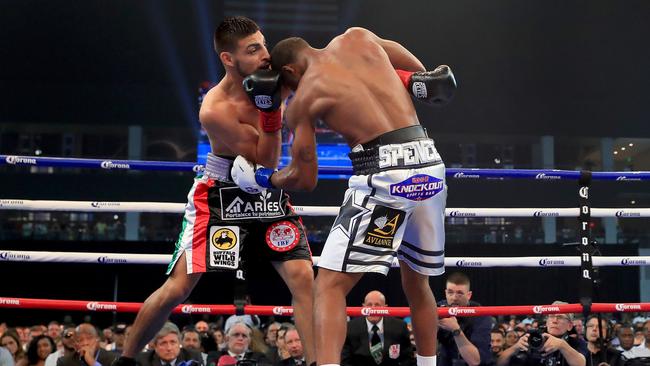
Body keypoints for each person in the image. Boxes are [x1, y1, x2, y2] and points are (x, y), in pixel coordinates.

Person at [231, 27, 456, 366]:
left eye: (286, 84)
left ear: (289, 71)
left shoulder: (305, 97)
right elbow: (428, 79)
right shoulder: (359, 37)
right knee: (416, 282)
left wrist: (261, 177)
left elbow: (304, 178)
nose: (288, 91)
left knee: (329, 287)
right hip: (430, 165)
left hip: (385, 175)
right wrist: (409, 81)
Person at [111, 15, 315, 366]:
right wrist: (271, 111)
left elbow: (326, 74)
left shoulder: (277, 73)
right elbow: (265, 158)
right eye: (253, 50)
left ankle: (317, 362)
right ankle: (126, 360)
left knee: (304, 279)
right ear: (228, 59)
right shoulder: (214, 109)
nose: (265, 55)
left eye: (263, 44)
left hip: (265, 192)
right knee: (178, 288)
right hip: (221, 195)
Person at [496, 305, 586, 366]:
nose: (554, 320)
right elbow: (499, 363)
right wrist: (515, 347)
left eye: (560, 317)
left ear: (570, 326)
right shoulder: (532, 336)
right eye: (551, 316)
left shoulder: (576, 342)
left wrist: (562, 345)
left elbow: (581, 364)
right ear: (546, 322)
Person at [342, 290, 414, 366]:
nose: (373, 309)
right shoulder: (351, 327)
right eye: (369, 305)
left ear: (385, 308)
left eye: (377, 305)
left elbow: (408, 360)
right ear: (363, 307)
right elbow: (345, 361)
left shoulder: (399, 326)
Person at [437, 273, 492, 366]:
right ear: (445, 293)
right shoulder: (437, 309)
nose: (454, 298)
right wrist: (432, 328)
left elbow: (474, 361)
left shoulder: (481, 315)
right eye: (450, 292)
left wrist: (456, 330)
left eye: (459, 293)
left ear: (469, 295)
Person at [136, 322, 203, 366]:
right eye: (163, 343)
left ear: (179, 343)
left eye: (173, 342)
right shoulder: (143, 360)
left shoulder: (193, 358)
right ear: (155, 346)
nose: (169, 348)